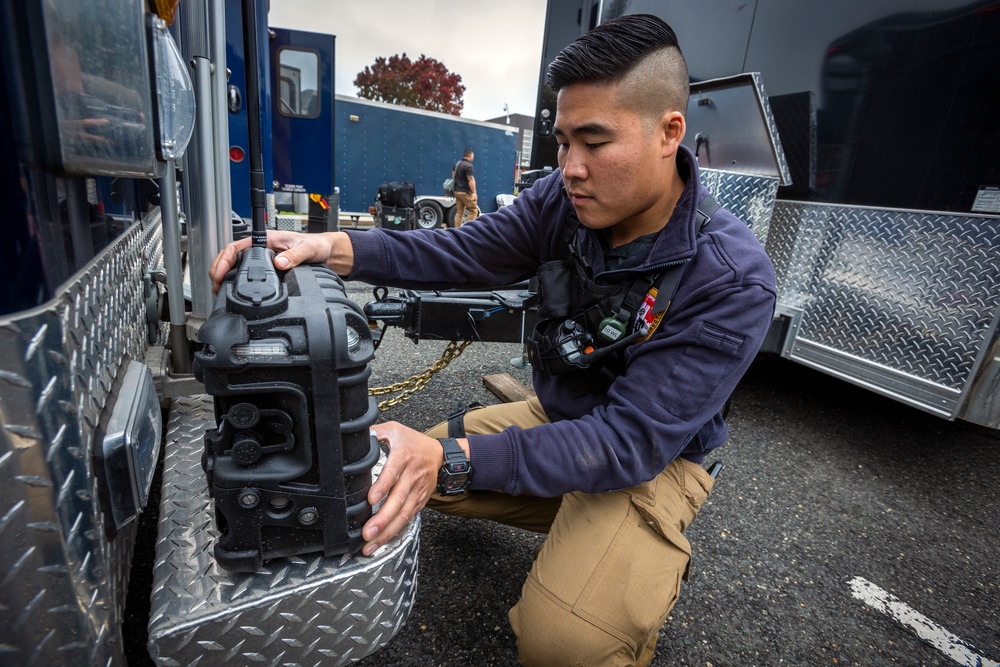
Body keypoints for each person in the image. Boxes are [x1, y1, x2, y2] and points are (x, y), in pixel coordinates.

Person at [210, 14, 776, 666]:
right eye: (563, 142)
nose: (570, 168)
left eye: (594, 142)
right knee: (387, 471)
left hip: (653, 462)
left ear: (669, 132)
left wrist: (449, 455)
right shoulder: (564, 203)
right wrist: (329, 247)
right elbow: (460, 251)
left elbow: (626, 443)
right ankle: (587, 533)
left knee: (561, 641)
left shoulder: (729, 276)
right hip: (561, 415)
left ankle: (642, 565)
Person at [452, 147, 478, 225]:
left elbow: (453, 175)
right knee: (474, 210)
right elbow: (470, 179)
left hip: (457, 191)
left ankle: (457, 230)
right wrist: (474, 193)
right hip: (465, 192)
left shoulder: (457, 164)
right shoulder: (469, 166)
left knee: (459, 212)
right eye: (473, 156)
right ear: (470, 156)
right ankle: (467, 229)